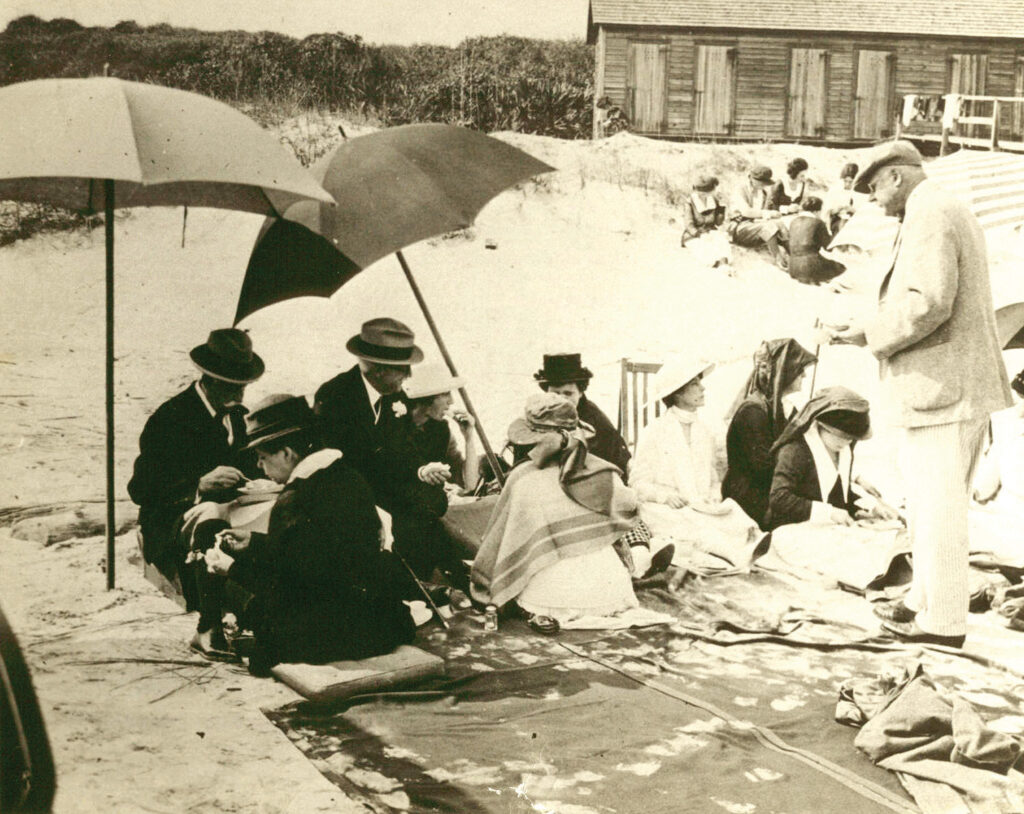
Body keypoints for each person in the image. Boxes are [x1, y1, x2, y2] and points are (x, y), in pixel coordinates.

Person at [830, 140, 1012, 647]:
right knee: (934, 504)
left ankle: (945, 624)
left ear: (896, 176)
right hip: (955, 386)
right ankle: (922, 601)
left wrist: (866, 330)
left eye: (874, 188)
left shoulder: (930, 214)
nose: (873, 198)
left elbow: (927, 302)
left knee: (940, 510)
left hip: (942, 390)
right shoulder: (939, 208)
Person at [195, 394, 415, 672]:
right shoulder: (345, 475)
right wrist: (254, 541)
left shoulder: (294, 499)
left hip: (324, 632)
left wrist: (232, 569)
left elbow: (287, 586)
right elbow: (313, 551)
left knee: (210, 533)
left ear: (287, 453)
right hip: (377, 621)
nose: (260, 467)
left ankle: (208, 629)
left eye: (263, 458)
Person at [471, 393, 642, 633]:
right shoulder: (602, 471)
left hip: (551, 599)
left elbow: (499, 545)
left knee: (533, 583)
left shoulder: (522, 479)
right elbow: (630, 507)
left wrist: (486, 582)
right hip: (611, 593)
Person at [127, 328, 263, 599]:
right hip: (171, 524)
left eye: (243, 386)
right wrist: (199, 484)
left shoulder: (235, 415)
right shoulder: (170, 419)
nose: (239, 395)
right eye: (231, 385)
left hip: (229, 517)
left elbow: (246, 464)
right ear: (209, 379)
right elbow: (141, 489)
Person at [631, 355, 762, 569]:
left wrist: (713, 495)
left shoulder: (704, 431)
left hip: (699, 505)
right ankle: (735, 556)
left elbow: (712, 477)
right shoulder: (655, 431)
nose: (703, 388)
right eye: (695, 384)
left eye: (700, 383)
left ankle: (747, 548)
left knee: (734, 514)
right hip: (665, 508)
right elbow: (637, 483)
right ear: (678, 393)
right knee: (697, 525)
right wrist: (664, 496)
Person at [379, 364, 480, 583]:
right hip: (402, 531)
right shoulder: (392, 430)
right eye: (445, 395)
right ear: (426, 399)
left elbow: (469, 483)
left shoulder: (440, 430)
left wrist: (469, 437)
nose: (451, 402)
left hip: (432, 525)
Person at [313, 317, 424, 504]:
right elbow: (333, 461)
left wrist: (421, 470)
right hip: (350, 497)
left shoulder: (397, 397)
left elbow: (407, 445)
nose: (408, 376)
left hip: (389, 491)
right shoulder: (334, 396)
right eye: (403, 369)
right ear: (380, 369)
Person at [722, 338, 817, 529]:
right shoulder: (753, 412)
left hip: (771, 493)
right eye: (800, 369)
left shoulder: (783, 409)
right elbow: (765, 468)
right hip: (751, 501)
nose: (804, 376)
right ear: (785, 372)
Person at [534, 353, 632, 477]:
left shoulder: (595, 422)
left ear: (580, 392)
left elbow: (604, 465)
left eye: (568, 393)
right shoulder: (538, 413)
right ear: (546, 391)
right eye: (555, 393)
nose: (561, 400)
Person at [728, 165, 790, 270]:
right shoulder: (741, 189)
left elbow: (765, 213)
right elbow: (746, 212)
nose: (763, 185)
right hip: (738, 227)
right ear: (751, 178)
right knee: (769, 227)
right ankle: (778, 259)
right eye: (760, 182)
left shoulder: (763, 192)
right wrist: (768, 213)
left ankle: (795, 254)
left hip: (754, 225)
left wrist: (776, 214)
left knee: (780, 224)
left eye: (764, 183)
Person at [786, 197, 847, 285]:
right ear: (816, 211)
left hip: (793, 267)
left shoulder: (793, 221)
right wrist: (839, 227)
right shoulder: (817, 222)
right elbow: (828, 247)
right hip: (810, 266)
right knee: (841, 268)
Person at [680, 176, 731, 270]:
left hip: (711, 231)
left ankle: (723, 264)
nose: (702, 195)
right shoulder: (689, 202)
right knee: (704, 250)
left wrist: (721, 207)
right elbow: (688, 224)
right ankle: (716, 264)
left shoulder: (714, 200)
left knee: (722, 242)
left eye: (706, 193)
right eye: (701, 193)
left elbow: (718, 223)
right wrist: (700, 234)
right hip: (694, 234)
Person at [825, 162, 863, 237]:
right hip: (837, 221)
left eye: (850, 182)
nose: (847, 184)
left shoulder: (859, 192)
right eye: (845, 181)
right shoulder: (834, 191)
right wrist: (835, 210)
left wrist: (852, 210)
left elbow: (863, 212)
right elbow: (827, 212)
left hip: (854, 221)